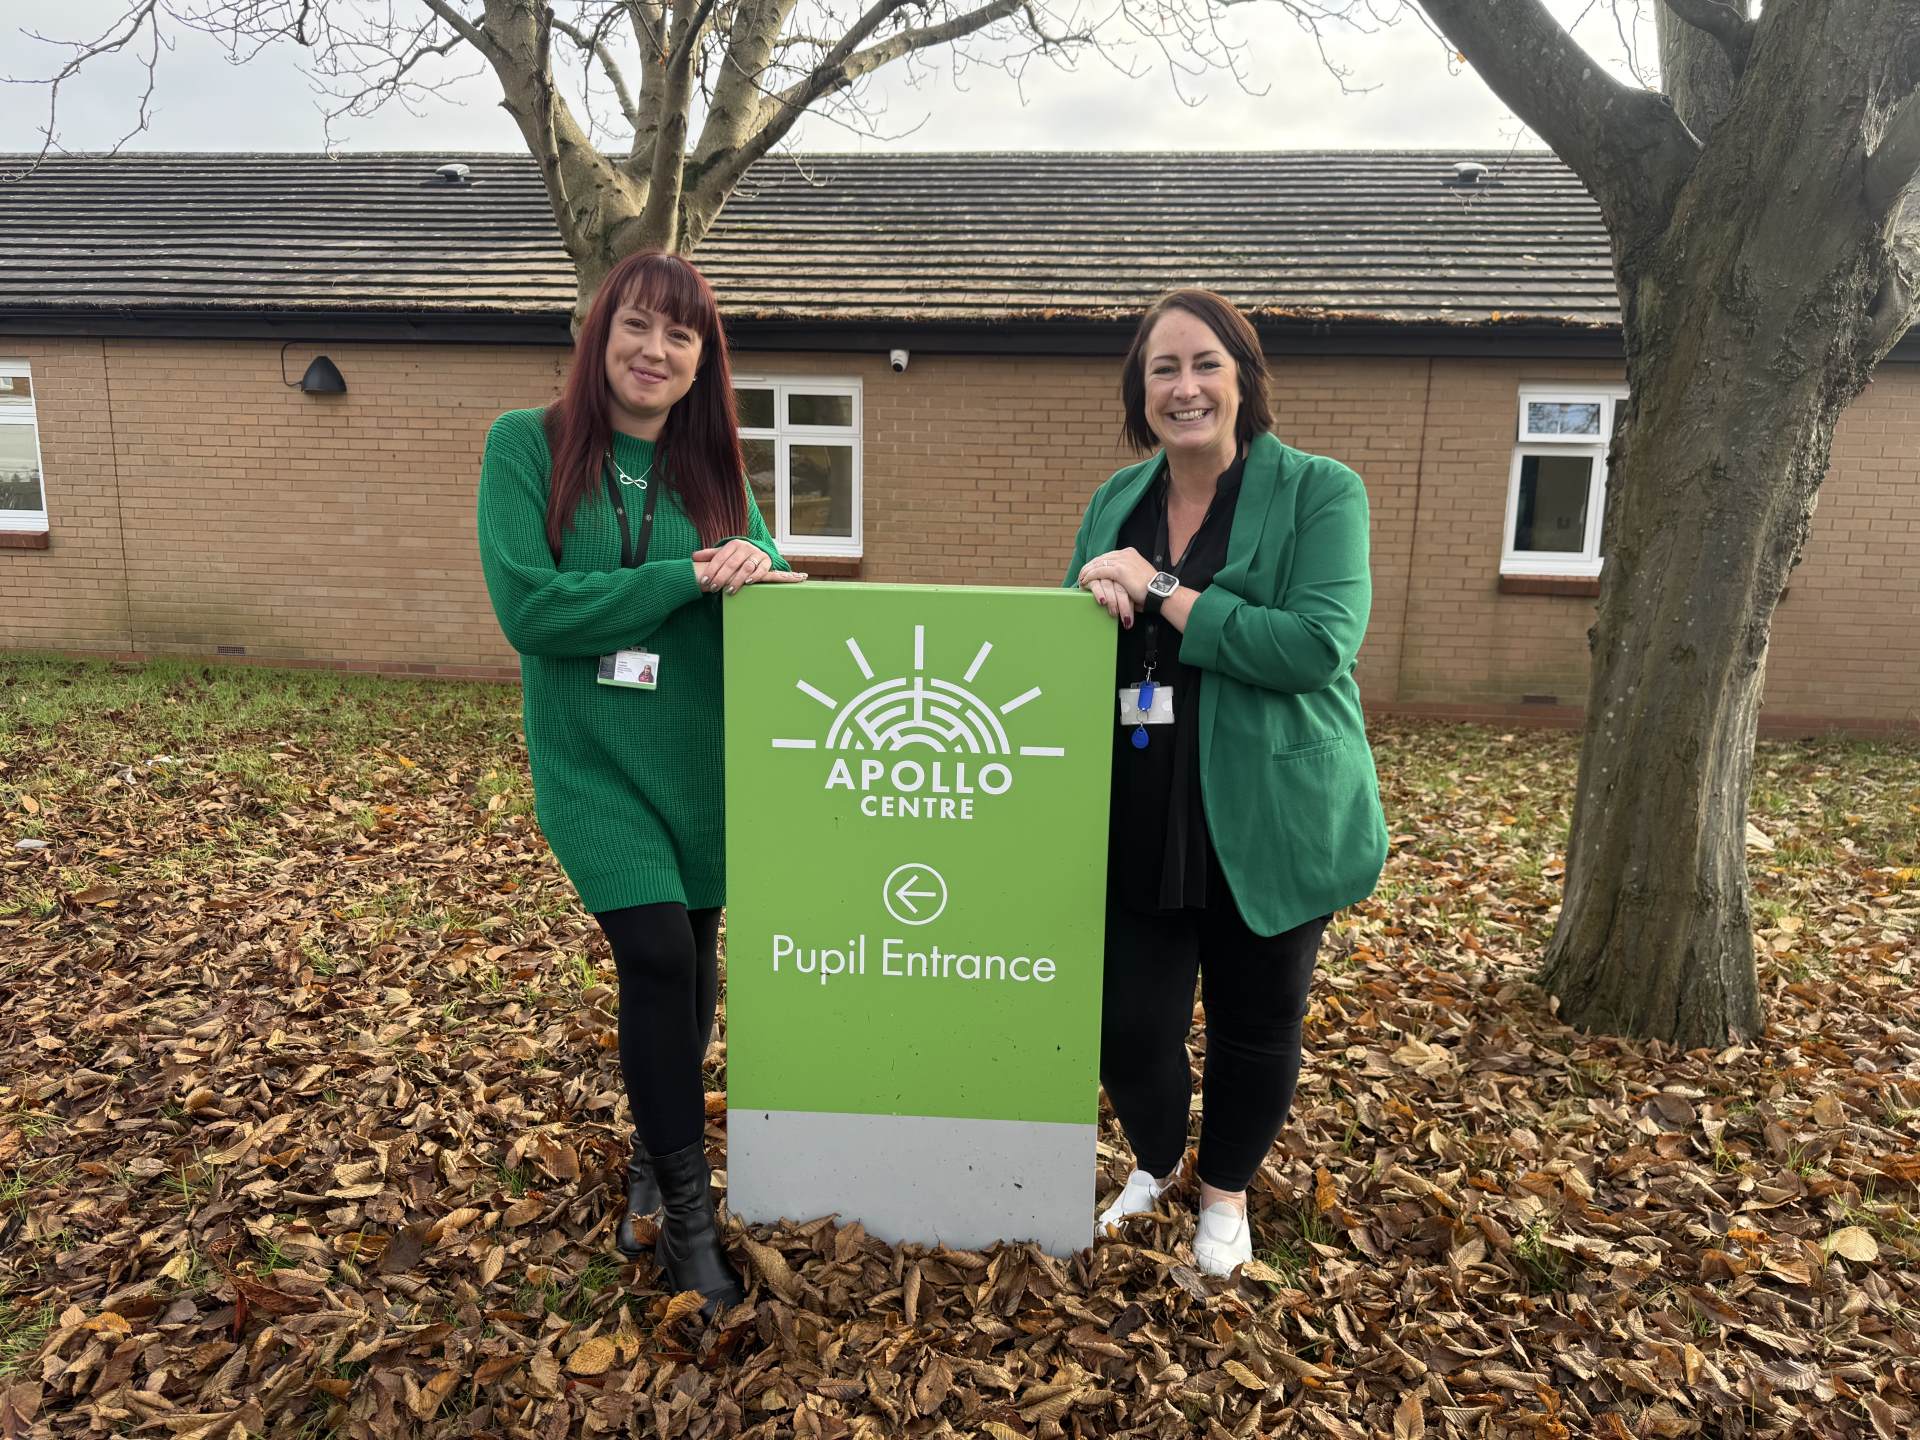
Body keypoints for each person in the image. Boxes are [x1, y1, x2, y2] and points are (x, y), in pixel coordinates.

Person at [477, 250, 803, 1317]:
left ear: (703, 356)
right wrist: (681, 577)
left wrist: (758, 566)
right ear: (598, 334)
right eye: (636, 327)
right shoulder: (527, 447)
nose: (654, 351)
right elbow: (534, 609)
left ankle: (649, 1158)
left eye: (680, 334)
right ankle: (690, 1225)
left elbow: (756, 585)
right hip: (592, 762)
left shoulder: (716, 470)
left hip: (701, 754)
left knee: (692, 969)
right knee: (657, 952)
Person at [1066, 289, 1388, 1277]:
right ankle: (1158, 1161)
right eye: (1163, 369)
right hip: (1138, 808)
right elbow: (1078, 631)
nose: (1185, 386)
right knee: (1124, 1027)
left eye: (1205, 363)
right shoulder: (1116, 501)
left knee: (1255, 1027)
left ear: (1244, 378)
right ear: (1141, 392)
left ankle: (1225, 1194)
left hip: (1273, 813)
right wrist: (1093, 597)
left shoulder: (1321, 492)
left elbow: (1314, 645)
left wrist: (1161, 589)